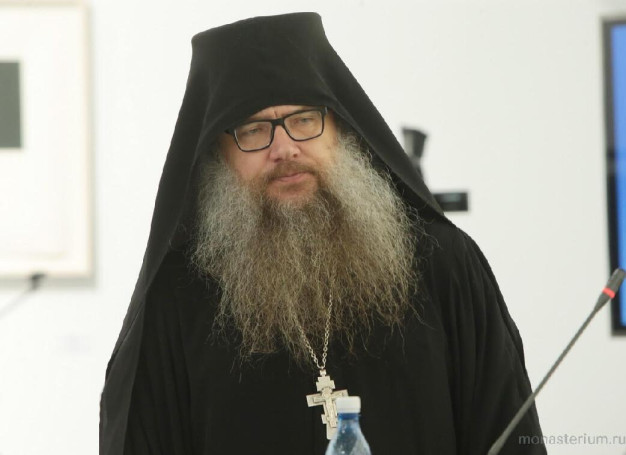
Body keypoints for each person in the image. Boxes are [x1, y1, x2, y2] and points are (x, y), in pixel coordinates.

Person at [99, 13, 546, 455]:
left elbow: (507, 432)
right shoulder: (177, 301)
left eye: (304, 120)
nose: (284, 148)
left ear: (341, 128)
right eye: (253, 130)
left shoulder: (443, 263)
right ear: (218, 154)